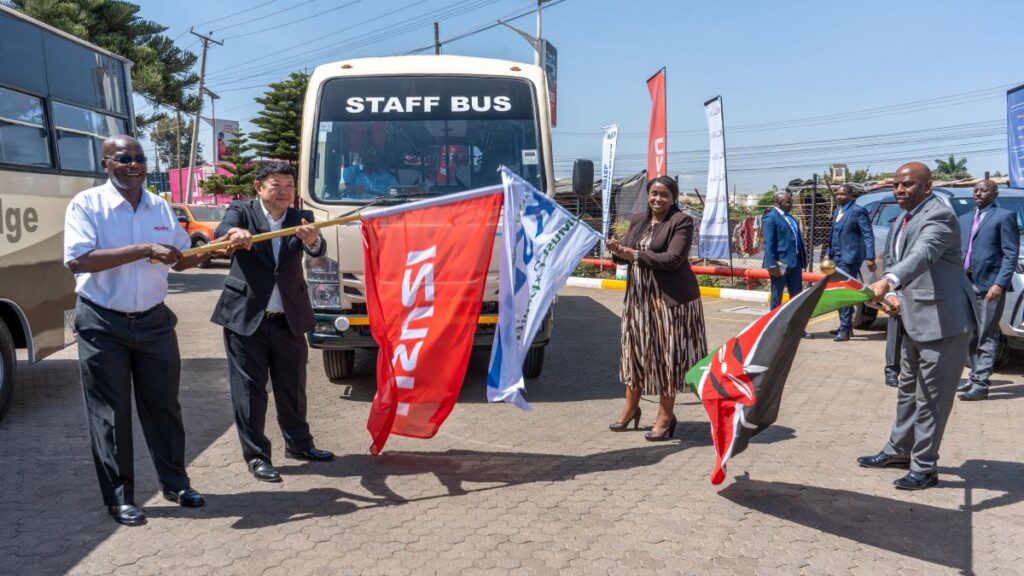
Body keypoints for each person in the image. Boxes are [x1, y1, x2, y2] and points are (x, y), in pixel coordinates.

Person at [64, 135, 207, 526]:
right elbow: (78, 261)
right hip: (102, 322)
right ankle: (120, 498)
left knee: (164, 408)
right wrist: (146, 248)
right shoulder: (87, 205)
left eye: (139, 158)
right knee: (111, 414)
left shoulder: (159, 205)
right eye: (123, 158)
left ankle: (176, 484)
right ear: (106, 164)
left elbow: (180, 259)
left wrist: (216, 249)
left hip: (154, 322)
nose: (133, 164)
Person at [212, 162, 335, 483]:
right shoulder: (242, 211)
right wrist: (233, 234)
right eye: (276, 185)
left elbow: (319, 249)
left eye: (289, 186)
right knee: (250, 392)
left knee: (292, 387)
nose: (284, 192)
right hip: (245, 319)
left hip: (288, 319)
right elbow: (221, 232)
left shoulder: (298, 218)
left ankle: (299, 444)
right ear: (258, 187)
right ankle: (256, 456)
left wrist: (312, 241)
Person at [858, 162, 977, 490]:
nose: (899, 190)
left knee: (931, 398)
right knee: (908, 389)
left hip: (944, 322)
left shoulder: (940, 216)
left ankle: (925, 467)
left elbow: (923, 255)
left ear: (927, 187)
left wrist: (888, 281)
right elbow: (895, 260)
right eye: (896, 184)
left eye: (908, 185)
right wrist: (893, 292)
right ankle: (899, 450)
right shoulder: (901, 219)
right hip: (913, 317)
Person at [606, 176, 708, 441]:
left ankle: (665, 416)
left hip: (670, 303)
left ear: (673, 198)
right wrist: (617, 250)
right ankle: (631, 408)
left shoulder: (681, 221)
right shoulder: (639, 219)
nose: (657, 199)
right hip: (639, 301)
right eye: (653, 193)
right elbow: (626, 255)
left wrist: (636, 255)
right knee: (635, 353)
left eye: (664, 194)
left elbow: (674, 259)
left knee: (666, 358)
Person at [958, 179, 1020, 401]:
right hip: (965, 283)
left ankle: (981, 383)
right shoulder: (964, 219)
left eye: (983, 190)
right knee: (971, 334)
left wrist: (1000, 283)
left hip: (990, 285)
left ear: (995, 193)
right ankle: (975, 376)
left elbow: (1010, 253)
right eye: (975, 190)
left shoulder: (1004, 216)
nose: (978, 194)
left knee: (987, 333)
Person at [824, 184, 876, 341]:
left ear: (850, 195)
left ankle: (846, 329)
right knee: (839, 290)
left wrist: (870, 256)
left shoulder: (857, 211)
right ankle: (843, 325)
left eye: (843, 194)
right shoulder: (837, 211)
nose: (839, 196)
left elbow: (867, 234)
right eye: (838, 194)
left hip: (850, 258)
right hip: (836, 257)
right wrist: (828, 253)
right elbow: (833, 235)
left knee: (845, 291)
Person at [762, 191, 807, 310]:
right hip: (779, 264)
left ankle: (794, 326)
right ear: (779, 203)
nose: (791, 205)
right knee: (777, 295)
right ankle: (775, 326)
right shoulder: (770, 218)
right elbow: (768, 243)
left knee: (796, 296)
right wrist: (771, 264)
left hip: (795, 263)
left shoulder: (790, 217)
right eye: (789, 202)